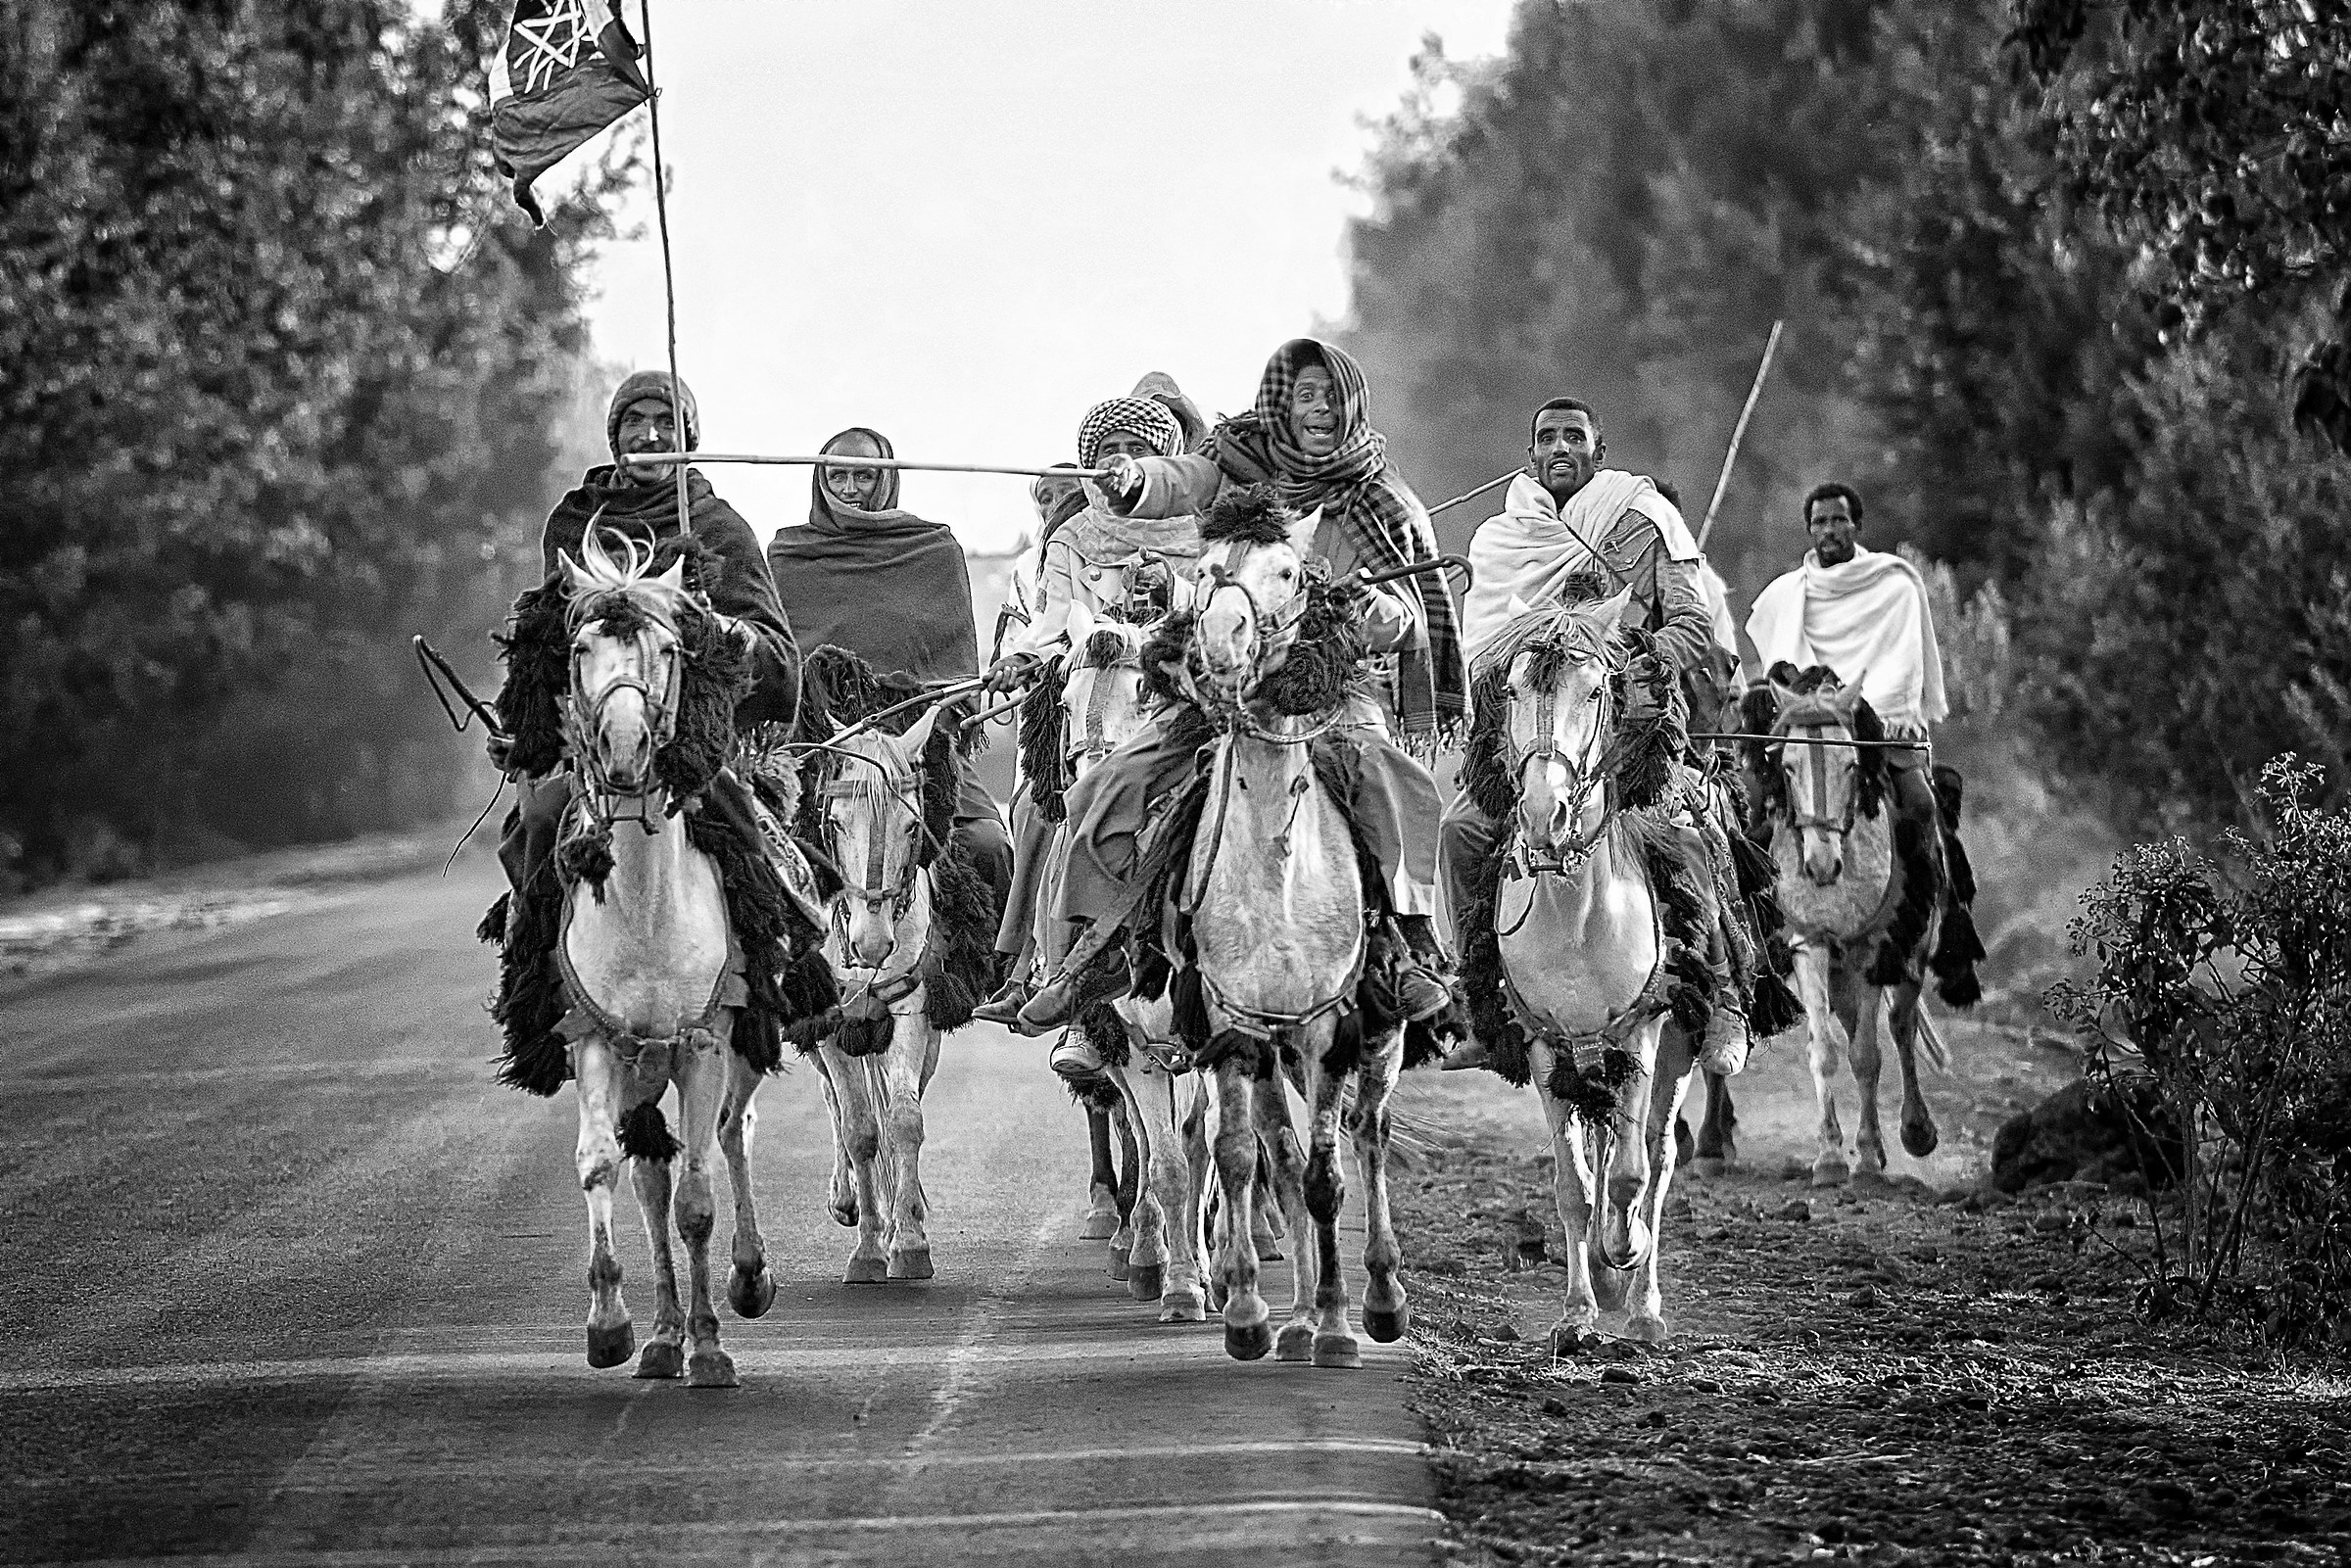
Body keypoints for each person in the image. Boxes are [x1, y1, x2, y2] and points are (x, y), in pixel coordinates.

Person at [1017, 338, 1466, 1035]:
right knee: (1108, 785)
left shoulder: (1384, 500)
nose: (1318, 409)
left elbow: (1410, 619)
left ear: (1352, 403)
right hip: (1222, 684)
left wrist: (1366, 608)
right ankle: (1097, 951)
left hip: (1329, 686)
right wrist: (1134, 479)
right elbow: (1181, 477)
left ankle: (1411, 946)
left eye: (1330, 396)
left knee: (1393, 780)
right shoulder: (1235, 460)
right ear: (1280, 402)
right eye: (1303, 395)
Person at [1438, 396, 1754, 1073]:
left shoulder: (1642, 517)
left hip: (1628, 722)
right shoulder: (1499, 538)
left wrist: (1624, 660)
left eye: (1574, 437)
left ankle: (1726, 996)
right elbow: (1484, 652)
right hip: (1533, 728)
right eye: (1547, 437)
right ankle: (1480, 1005)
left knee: (1692, 832)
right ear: (1529, 456)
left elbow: (1693, 623)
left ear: (1598, 452)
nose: (1560, 447)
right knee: (1461, 830)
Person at [493, 371, 800, 893]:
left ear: (688, 440)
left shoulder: (717, 527)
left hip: (697, 746)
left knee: (748, 848)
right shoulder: (574, 521)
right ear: (615, 437)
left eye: (666, 422)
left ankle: (783, 935)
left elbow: (777, 657)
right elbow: (547, 644)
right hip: (591, 750)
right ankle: (532, 945)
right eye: (634, 421)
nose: (651, 435)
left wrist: (713, 626)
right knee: (540, 828)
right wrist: (526, 728)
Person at [972, 390, 1207, 1028]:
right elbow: (1054, 625)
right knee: (1045, 805)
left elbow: (1222, 615)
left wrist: (1176, 590)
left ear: (1165, 460)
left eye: (1137, 449)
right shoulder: (1072, 538)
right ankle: (1056, 973)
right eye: (1108, 450)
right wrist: (1024, 657)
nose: (1120, 461)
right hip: (1094, 698)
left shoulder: (1202, 532)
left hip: (1187, 699)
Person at [765, 427, 1013, 909]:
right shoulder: (789, 556)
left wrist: (916, 732)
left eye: (864, 476)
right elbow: (781, 669)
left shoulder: (933, 551)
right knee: (762, 856)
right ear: (819, 480)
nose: (850, 490)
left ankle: (1000, 960)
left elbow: (956, 682)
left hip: (920, 746)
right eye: (837, 477)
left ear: (887, 480)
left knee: (988, 846)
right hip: (817, 749)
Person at [1743, 481, 1944, 840]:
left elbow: (1902, 675)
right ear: (1810, 530)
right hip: (1804, 731)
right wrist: (1810, 707)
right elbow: (1780, 674)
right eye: (1820, 522)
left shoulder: (1895, 587)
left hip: (1878, 732)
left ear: (1857, 526)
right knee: (1749, 806)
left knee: (1920, 805)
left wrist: (1853, 710)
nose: (1829, 530)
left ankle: (1939, 877)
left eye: (1839, 520)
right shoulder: (1783, 594)